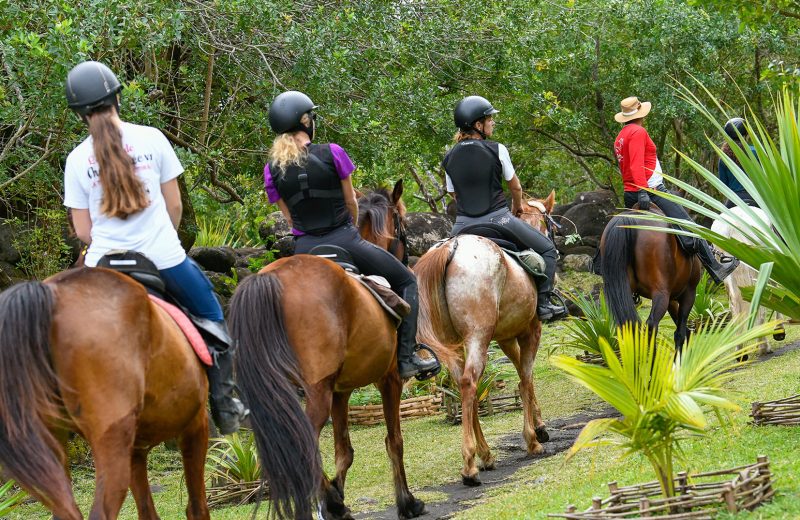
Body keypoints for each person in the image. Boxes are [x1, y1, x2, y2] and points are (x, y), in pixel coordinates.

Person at [63, 60, 248, 434]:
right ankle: (226, 405)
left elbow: (82, 230)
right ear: (117, 97)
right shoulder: (152, 138)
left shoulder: (75, 160)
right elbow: (175, 205)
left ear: (79, 113)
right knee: (212, 316)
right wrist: (162, 237)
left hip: (104, 268)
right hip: (162, 258)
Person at [263, 90, 440, 380]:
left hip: (304, 248)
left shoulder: (271, 170)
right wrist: (347, 226)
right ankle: (407, 358)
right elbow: (350, 203)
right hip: (345, 239)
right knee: (407, 280)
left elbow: (288, 217)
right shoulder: (333, 152)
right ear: (306, 121)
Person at [442, 95, 568, 321]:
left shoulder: (449, 156)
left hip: (462, 225)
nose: (492, 123)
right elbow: (516, 187)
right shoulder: (497, 149)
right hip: (498, 219)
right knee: (548, 249)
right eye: (489, 119)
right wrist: (517, 207)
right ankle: (545, 304)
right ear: (478, 125)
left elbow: (454, 194)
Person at [613, 96, 739, 284]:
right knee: (689, 226)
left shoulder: (620, 137)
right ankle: (716, 268)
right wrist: (643, 191)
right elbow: (636, 165)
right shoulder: (638, 131)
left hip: (629, 193)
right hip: (651, 191)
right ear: (640, 114)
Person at [718, 117, 758, 208]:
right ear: (746, 134)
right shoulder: (756, 152)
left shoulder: (724, 156)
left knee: (721, 220)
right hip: (757, 198)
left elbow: (723, 186)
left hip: (734, 199)